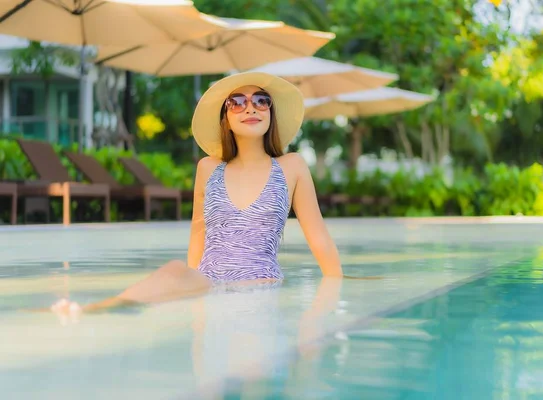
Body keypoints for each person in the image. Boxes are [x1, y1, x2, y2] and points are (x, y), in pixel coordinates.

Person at [49, 71, 344, 316]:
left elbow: (319, 238)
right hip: (207, 281)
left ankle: (101, 310)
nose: (250, 108)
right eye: (237, 102)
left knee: (253, 372)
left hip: (258, 284)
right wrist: (196, 308)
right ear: (224, 118)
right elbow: (197, 236)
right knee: (174, 270)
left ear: (271, 113)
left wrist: (338, 286)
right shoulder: (208, 168)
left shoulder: (291, 167)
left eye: (261, 101)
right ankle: (99, 308)